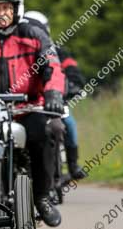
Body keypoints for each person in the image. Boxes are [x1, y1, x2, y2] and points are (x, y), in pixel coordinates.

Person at [0, 0, 65, 227]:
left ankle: (42, 196)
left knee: (48, 130)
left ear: (17, 8)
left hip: (27, 108)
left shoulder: (34, 34)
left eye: (7, 8)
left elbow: (52, 66)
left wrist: (54, 93)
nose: (3, 13)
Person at [24, 10, 86, 179]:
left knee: (69, 124)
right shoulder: (25, 48)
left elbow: (72, 71)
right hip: (30, 102)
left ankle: (73, 164)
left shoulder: (59, 51)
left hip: (58, 98)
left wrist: (74, 86)